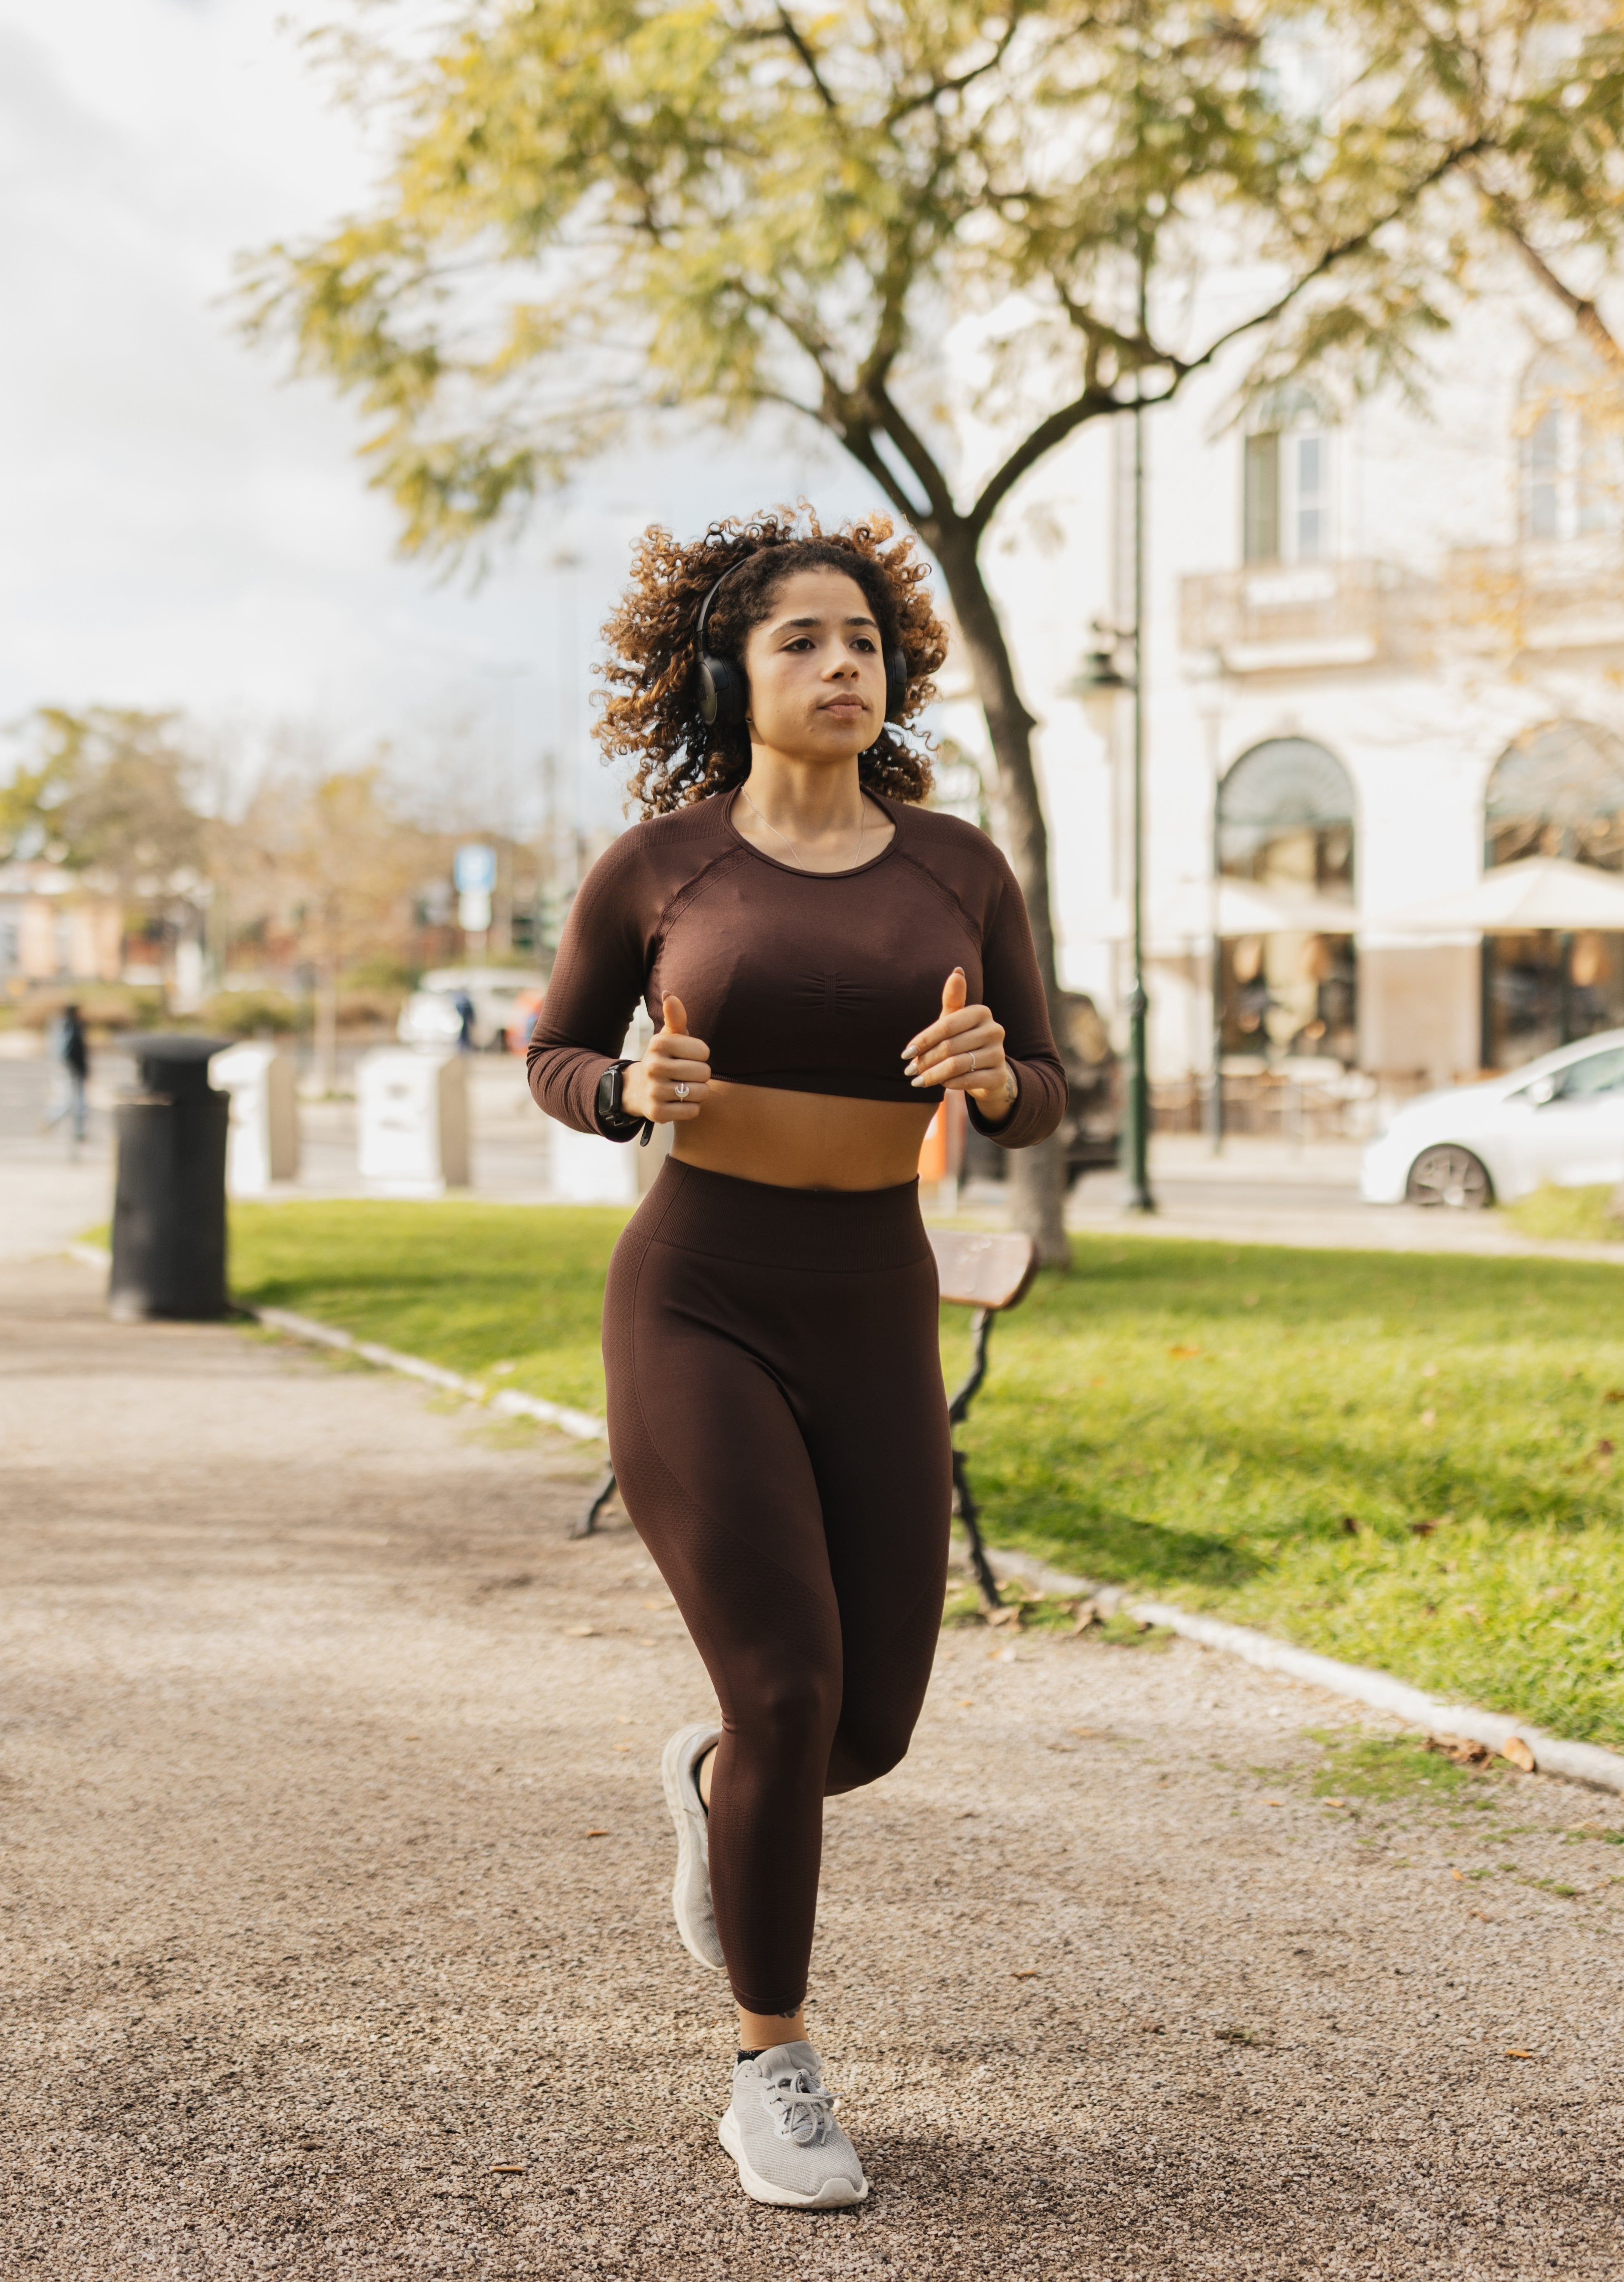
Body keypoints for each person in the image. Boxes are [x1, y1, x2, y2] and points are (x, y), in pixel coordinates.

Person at [524, 510, 1064, 2212]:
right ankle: (773, 2065)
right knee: (780, 1682)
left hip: (870, 1300)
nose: (844, 666)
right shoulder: (658, 865)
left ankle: (718, 1783)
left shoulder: (959, 867)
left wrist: (993, 1076)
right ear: (730, 675)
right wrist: (623, 1093)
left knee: (867, 1723)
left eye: (862, 641)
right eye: (800, 643)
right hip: (698, 1291)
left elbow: (1049, 1084)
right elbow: (550, 1047)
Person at [43, 1000, 91, 1152]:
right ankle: (56, 1121)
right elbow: (71, 1052)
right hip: (72, 1070)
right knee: (73, 1102)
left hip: (69, 1070)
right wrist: (77, 1069)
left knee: (76, 1102)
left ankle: (77, 1131)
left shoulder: (64, 1026)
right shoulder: (71, 1027)